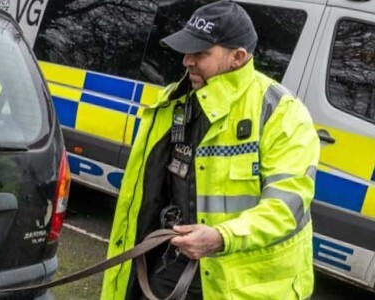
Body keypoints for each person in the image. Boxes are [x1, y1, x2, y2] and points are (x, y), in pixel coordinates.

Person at [101, 1, 319, 299]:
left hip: (247, 283)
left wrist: (220, 237)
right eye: (187, 50)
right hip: (178, 259)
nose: (187, 61)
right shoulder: (174, 100)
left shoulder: (281, 113)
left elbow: (285, 207)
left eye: (200, 53)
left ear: (238, 57)